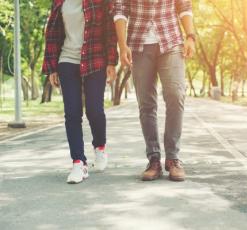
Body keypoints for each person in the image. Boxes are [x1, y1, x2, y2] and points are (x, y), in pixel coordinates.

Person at [114, 0, 195, 181]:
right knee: (146, 103)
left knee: (176, 94)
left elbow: (184, 6)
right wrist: (122, 45)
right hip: (139, 42)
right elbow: (120, 10)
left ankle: (173, 158)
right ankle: (154, 159)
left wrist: (190, 36)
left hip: (171, 39)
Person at [42, 0, 118, 184]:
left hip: (95, 59)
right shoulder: (60, 2)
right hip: (67, 60)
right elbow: (52, 33)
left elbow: (110, 31)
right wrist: (52, 68)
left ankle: (99, 146)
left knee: (94, 110)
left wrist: (111, 62)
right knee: (72, 113)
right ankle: (78, 163)